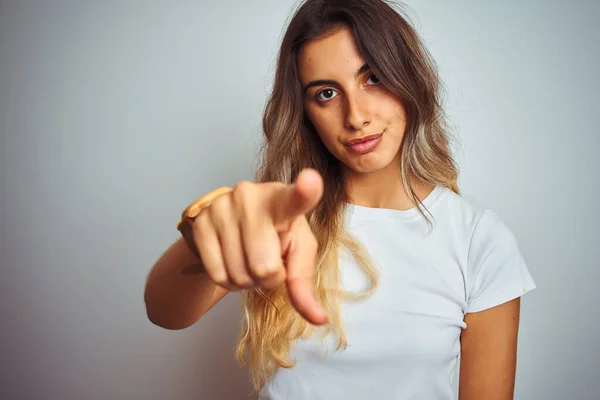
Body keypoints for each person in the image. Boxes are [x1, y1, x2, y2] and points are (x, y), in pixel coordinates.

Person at [143, 0, 536, 399]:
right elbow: (164, 313)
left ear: (409, 80)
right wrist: (204, 231)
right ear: (305, 113)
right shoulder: (283, 220)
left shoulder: (478, 240)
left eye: (374, 78)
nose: (356, 116)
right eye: (327, 93)